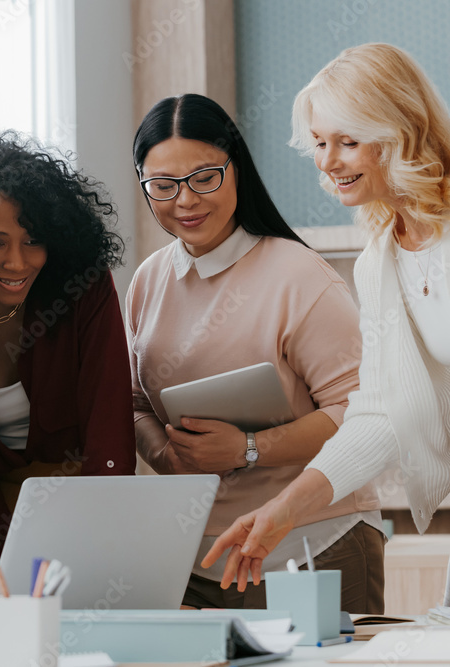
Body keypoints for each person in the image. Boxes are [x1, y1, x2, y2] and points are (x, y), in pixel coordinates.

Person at [205, 44, 450, 607]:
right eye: (319, 143)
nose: (327, 160)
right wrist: (279, 513)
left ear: (402, 132)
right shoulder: (381, 261)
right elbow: (379, 415)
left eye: (349, 141)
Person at [127, 93, 384, 612]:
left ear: (236, 169)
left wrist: (248, 448)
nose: (186, 201)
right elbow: (133, 402)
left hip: (313, 545)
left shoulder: (299, 275)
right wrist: (167, 456)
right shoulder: (149, 279)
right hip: (196, 560)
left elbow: (361, 414)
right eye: (163, 185)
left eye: (205, 177)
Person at [0, 131, 136, 546]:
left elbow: (109, 428)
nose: (16, 262)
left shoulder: (84, 288)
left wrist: (103, 542)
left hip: (85, 519)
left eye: (33, 241)